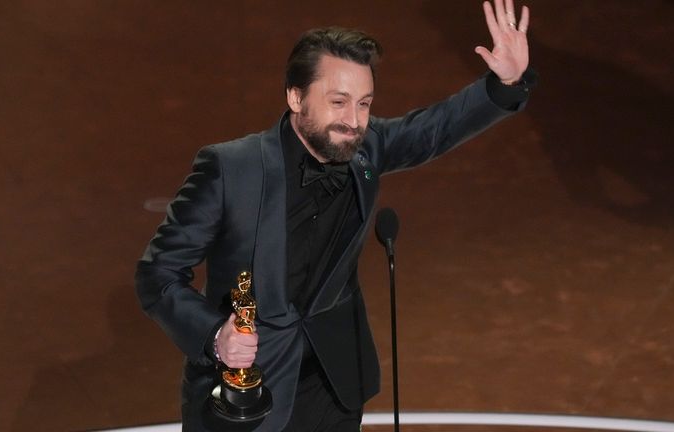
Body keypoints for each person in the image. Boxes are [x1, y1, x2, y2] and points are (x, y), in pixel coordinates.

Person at [135, 1, 535, 430]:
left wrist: (506, 82)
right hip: (247, 390)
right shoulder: (230, 169)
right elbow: (157, 274)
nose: (354, 121)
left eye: (364, 104)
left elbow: (434, 129)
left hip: (333, 383)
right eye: (339, 102)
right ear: (295, 96)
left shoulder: (366, 149)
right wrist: (217, 337)